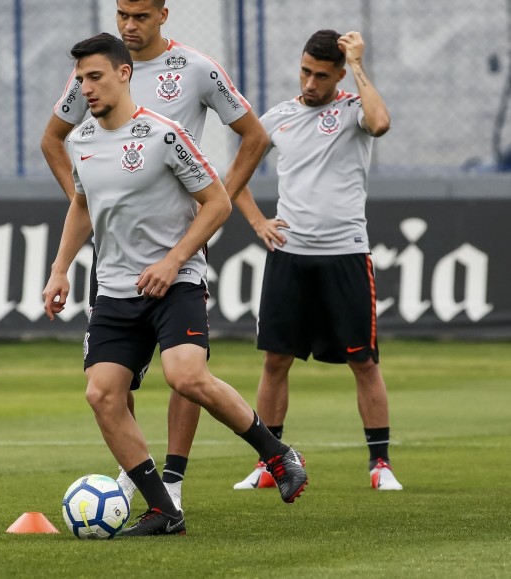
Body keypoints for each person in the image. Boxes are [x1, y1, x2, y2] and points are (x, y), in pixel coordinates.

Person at [42, 32, 308, 536]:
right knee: (102, 395)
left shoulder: (164, 135)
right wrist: (60, 270)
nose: (87, 89)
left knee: (185, 376)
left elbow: (218, 202)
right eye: (81, 80)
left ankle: (277, 455)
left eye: (95, 77)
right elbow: (82, 205)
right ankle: (165, 510)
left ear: (124, 74)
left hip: (176, 281)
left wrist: (174, 260)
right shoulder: (81, 143)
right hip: (116, 290)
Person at [230, 29, 403, 491]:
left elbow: (382, 122)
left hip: (345, 254)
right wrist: (257, 222)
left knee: (363, 362)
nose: (310, 82)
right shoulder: (278, 117)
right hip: (289, 256)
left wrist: (361, 64)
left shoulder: (353, 111)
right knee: (275, 362)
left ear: (340, 75)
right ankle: (272, 462)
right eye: (305, 71)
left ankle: (380, 464)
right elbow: (234, 178)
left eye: (321, 75)